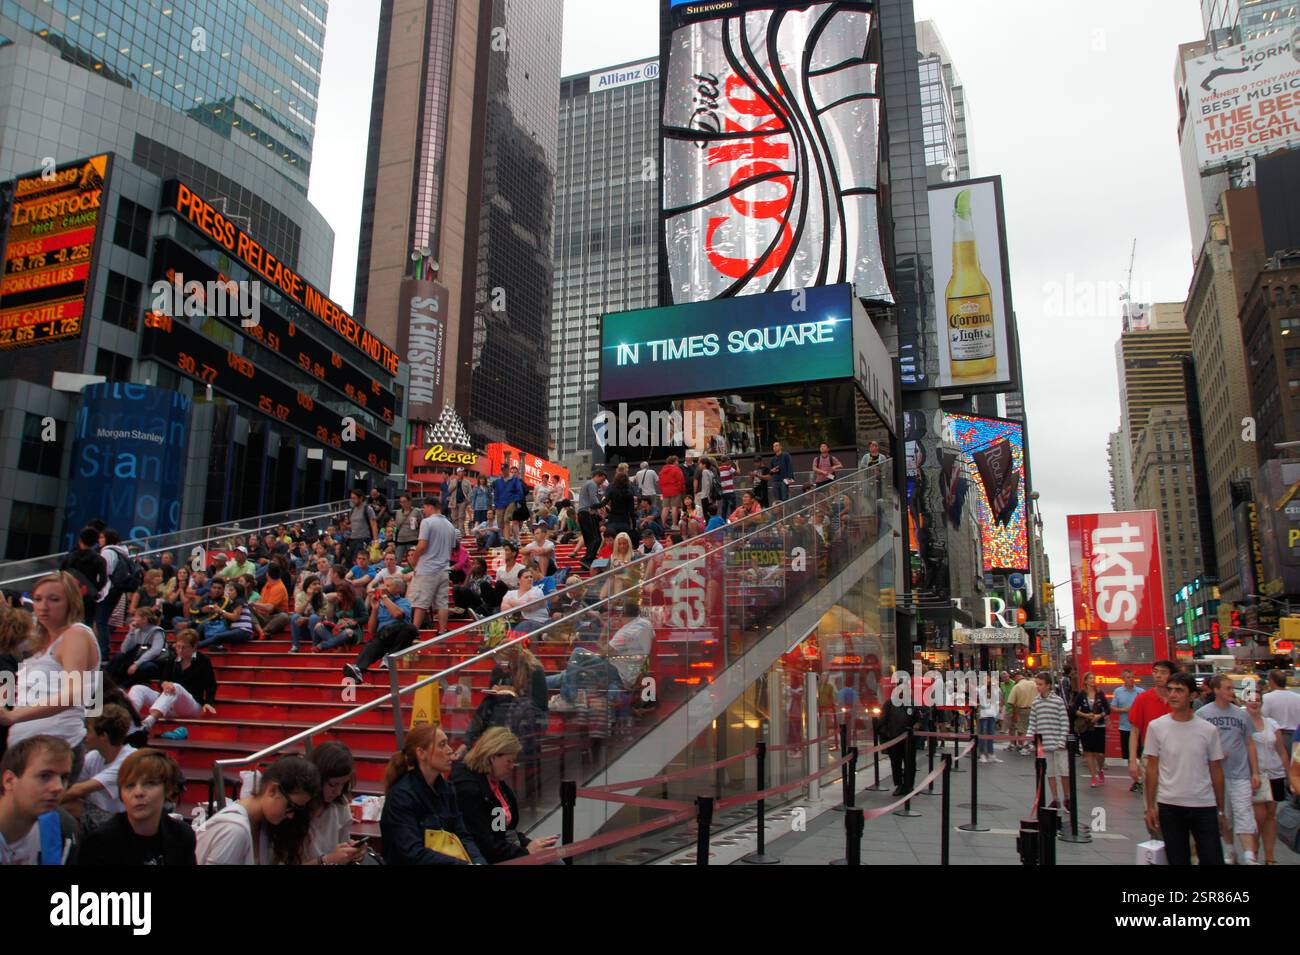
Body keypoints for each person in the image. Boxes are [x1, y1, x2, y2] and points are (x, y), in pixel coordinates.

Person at [2, 572, 100, 783]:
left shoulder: (76, 634)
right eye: (38, 599)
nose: (44, 606)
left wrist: (13, 717)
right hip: (24, 750)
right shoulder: (41, 641)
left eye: (54, 599)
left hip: (55, 749)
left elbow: (73, 694)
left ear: (71, 603)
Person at [1143, 671, 1228, 866]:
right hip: (1169, 804)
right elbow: (1152, 769)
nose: (1172, 694)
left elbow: (1216, 770)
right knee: (1177, 858)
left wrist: (1221, 811)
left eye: (1179, 690)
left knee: (1212, 858)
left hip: (1204, 804)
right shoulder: (1157, 727)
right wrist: (1149, 807)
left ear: (1192, 696)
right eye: (1170, 690)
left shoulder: (1208, 730)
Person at [380, 723, 484, 865]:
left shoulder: (447, 789)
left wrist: (478, 862)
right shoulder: (402, 796)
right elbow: (413, 853)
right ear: (421, 753)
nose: (449, 750)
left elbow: (463, 835)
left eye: (447, 744)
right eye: (442, 745)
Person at [450, 727, 556, 864]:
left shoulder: (495, 783)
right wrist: (526, 852)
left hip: (504, 852)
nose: (512, 766)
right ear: (493, 757)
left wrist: (532, 844)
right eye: (509, 761)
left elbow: (504, 831)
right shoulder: (468, 789)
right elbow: (485, 844)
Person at [79, 749, 196, 865]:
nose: (138, 793)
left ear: (168, 789)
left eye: (150, 783)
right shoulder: (100, 842)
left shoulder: (182, 835)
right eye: (129, 786)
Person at [196, 755, 320, 864]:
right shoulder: (234, 830)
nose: (291, 815)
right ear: (272, 790)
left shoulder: (262, 825)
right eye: (291, 807)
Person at [1196, 673, 1261, 864]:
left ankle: (1249, 854)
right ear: (1216, 690)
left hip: (1240, 772)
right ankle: (1230, 849)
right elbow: (1198, 743)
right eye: (1228, 688)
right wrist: (1212, 754)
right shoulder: (1203, 714)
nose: (1232, 691)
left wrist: (1255, 771)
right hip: (1216, 774)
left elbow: (1249, 743)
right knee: (1224, 813)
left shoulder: (1241, 714)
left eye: (1232, 688)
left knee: (1244, 811)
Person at [0, 735, 78, 865]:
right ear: (9, 781)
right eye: (45, 776)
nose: (58, 787)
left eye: (63, 778)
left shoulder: (61, 828)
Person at [60, 704, 136, 833]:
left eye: (88, 730)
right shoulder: (94, 756)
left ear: (103, 736)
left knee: (68, 806)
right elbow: (72, 786)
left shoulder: (128, 760)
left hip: (123, 824)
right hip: (101, 816)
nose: (84, 735)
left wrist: (39, 803)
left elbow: (78, 790)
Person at [1244, 682, 1290, 865]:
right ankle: (1253, 853)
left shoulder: (1272, 724)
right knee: (1258, 817)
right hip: (1255, 775)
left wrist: (1289, 776)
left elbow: (1281, 751)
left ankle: (1269, 857)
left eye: (1258, 700)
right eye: (1251, 700)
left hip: (1275, 774)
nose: (1254, 704)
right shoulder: (1243, 723)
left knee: (1271, 815)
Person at [343, 577, 416, 685]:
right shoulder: (380, 603)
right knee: (374, 642)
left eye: (388, 586)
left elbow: (398, 615)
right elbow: (371, 630)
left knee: (410, 628)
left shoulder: (404, 602)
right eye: (383, 585)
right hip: (383, 636)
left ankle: (389, 657)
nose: (383, 588)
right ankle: (357, 669)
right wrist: (375, 609)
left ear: (398, 589)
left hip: (399, 636)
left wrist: (384, 597)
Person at [307, 742, 366, 866]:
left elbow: (341, 849)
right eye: (332, 784)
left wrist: (351, 853)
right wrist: (327, 860)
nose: (338, 792)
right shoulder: (293, 811)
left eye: (343, 784)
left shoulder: (339, 805)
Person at [406, 496, 458, 634]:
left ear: (429, 506)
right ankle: (442, 631)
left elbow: (422, 545)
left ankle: (413, 633)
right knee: (442, 602)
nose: (424, 510)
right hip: (443, 569)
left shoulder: (427, 522)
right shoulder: (450, 525)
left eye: (425, 507)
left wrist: (414, 559)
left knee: (420, 602)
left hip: (427, 568)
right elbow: (452, 550)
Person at [1128, 659, 1176, 789]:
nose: (1158, 675)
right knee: (1152, 800)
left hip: (1176, 755)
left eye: (1163, 672)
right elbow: (1134, 731)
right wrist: (1132, 761)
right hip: (1150, 755)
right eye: (1155, 672)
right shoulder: (1143, 698)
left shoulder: (1177, 699)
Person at [1026, 671, 1070, 809]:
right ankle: (1055, 798)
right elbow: (1032, 722)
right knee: (1050, 773)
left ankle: (1067, 798)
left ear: (1048, 685)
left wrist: (1062, 740)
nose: (1037, 687)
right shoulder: (1036, 702)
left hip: (1058, 744)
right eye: (1036, 684)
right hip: (1044, 744)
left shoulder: (1058, 701)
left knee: (1064, 772)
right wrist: (1028, 738)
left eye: (1040, 684)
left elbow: (1064, 722)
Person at [877, 673, 920, 796]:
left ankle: (909, 786)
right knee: (896, 763)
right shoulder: (889, 704)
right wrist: (887, 735)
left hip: (909, 740)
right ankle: (899, 785)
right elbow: (882, 721)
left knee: (910, 763)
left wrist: (917, 725)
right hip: (894, 739)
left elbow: (919, 719)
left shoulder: (913, 703)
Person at [106, 606, 167, 688]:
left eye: (136, 616)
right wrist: (131, 632)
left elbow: (155, 651)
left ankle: (123, 686)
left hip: (153, 662)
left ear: (144, 619)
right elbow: (124, 649)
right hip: (137, 659)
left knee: (146, 667)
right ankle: (106, 684)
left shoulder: (157, 631)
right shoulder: (137, 631)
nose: (133, 619)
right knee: (118, 656)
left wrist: (137, 664)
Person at [1070, 672, 1110, 787]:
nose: (1093, 680)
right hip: (1086, 726)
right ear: (1086, 681)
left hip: (1099, 725)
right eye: (1090, 678)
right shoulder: (1081, 694)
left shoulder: (1100, 693)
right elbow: (1073, 709)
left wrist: (1099, 715)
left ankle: (1100, 769)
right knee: (1089, 752)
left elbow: (1107, 709)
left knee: (1100, 753)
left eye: (1094, 678)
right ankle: (1093, 777)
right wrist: (1085, 715)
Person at [196, 580, 256, 651]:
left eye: (231, 590)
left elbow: (235, 617)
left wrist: (220, 611)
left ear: (238, 592)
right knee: (216, 637)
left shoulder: (239, 600)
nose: (229, 592)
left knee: (217, 636)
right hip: (237, 631)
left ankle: (195, 646)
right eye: (228, 590)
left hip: (243, 631)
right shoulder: (233, 603)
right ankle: (219, 648)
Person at [1111, 668, 1144, 791]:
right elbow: (1113, 708)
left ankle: (1142, 779)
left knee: (1141, 755)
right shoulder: (1118, 691)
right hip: (1125, 728)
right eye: (1128, 677)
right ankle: (1136, 781)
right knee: (1130, 757)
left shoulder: (1140, 692)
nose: (1131, 679)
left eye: (1132, 677)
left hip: (1139, 728)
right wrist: (1125, 710)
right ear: (1123, 679)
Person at [1261, 668, 1299, 756]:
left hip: (1277, 736)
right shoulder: (1298, 697)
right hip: (1296, 737)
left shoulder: (1267, 697)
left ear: (1272, 681)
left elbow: (1263, 717)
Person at [577, 470, 609, 568]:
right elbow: (593, 499)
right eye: (602, 480)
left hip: (582, 513)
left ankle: (586, 562)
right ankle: (587, 560)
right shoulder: (592, 484)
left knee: (590, 540)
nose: (601, 483)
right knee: (596, 538)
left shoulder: (586, 484)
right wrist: (600, 510)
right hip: (588, 513)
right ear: (598, 476)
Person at [1005, 670, 1038, 755]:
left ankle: (1024, 747)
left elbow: (1011, 702)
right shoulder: (1033, 684)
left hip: (1022, 710)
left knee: (1022, 729)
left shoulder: (1017, 686)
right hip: (1034, 710)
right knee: (1032, 728)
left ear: (1016, 678)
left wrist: (1014, 713)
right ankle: (1032, 745)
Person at [494, 465, 527, 544]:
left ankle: (507, 540)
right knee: (499, 522)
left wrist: (517, 500)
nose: (504, 471)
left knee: (507, 519)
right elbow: (496, 493)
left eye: (505, 469)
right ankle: (503, 538)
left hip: (511, 501)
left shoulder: (514, 480)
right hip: (500, 503)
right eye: (502, 470)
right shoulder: (498, 481)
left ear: (508, 470)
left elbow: (520, 491)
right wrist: (495, 503)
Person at [659, 455, 687, 528]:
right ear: (674, 462)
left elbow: (660, 482)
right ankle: (674, 524)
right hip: (675, 491)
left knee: (665, 508)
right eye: (677, 461)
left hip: (665, 491)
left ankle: (662, 524)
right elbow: (681, 481)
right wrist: (682, 490)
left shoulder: (662, 471)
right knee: (675, 507)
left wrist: (663, 490)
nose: (678, 462)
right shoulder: (677, 470)